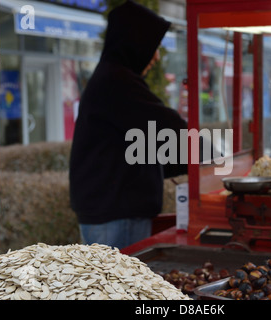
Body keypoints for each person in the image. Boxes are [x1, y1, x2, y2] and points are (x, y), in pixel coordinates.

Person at [69, 0, 188, 249]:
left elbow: (139, 143)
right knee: (123, 287)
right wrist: (216, 161)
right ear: (134, 42)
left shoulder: (112, 78)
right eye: (152, 46)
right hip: (116, 215)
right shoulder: (117, 81)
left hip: (111, 210)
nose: (155, 57)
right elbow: (167, 128)